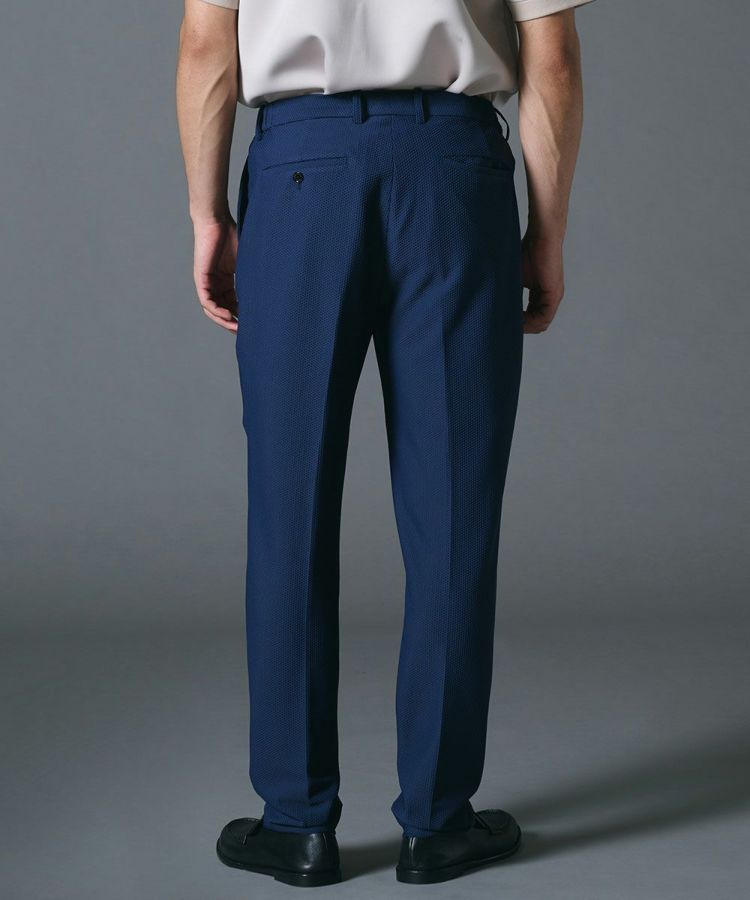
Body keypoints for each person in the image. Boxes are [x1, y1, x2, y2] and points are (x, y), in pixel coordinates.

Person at [176, 0, 593, 886]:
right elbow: (551, 58)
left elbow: (208, 44)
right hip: (453, 174)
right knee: (453, 512)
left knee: (287, 510)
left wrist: (207, 214)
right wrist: (547, 232)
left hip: (301, 170)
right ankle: (437, 823)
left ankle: (295, 824)